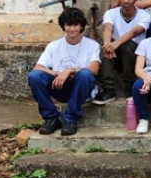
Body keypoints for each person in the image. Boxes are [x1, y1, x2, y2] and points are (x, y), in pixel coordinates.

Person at [28, 8, 100, 137]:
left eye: (75, 25)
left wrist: (69, 70)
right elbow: (38, 67)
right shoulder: (54, 46)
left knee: (85, 74)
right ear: (63, 26)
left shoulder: (92, 45)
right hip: (59, 86)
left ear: (82, 26)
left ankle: (70, 119)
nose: (72, 29)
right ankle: (51, 118)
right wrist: (57, 74)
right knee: (35, 77)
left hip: (79, 88)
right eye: (69, 25)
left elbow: (94, 69)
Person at [94, 0, 151, 104]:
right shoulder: (111, 13)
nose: (126, 1)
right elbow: (108, 28)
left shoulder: (144, 16)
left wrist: (116, 43)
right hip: (115, 55)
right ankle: (108, 89)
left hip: (136, 56)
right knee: (104, 44)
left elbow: (133, 32)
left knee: (127, 45)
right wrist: (107, 44)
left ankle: (130, 88)